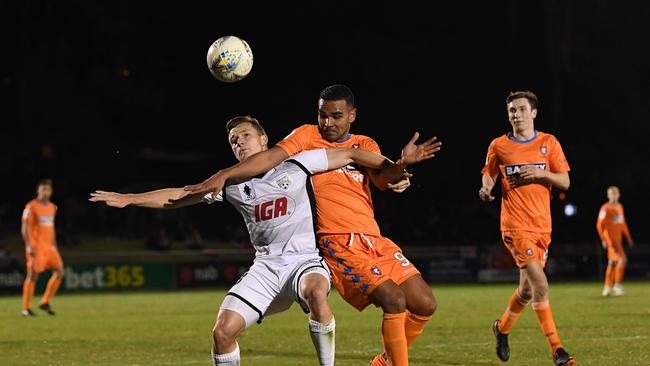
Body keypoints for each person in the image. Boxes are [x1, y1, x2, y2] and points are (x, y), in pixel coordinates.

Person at [90, 115, 439, 366]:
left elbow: (350, 154)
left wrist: (396, 166)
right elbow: (181, 195)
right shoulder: (232, 185)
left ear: (263, 140)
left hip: (306, 260)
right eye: (233, 141)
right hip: (266, 267)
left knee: (318, 291)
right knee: (222, 332)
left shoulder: (297, 165)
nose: (238, 143)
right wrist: (129, 198)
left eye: (244, 136)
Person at [185, 85, 442, 366]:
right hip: (337, 240)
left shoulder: (365, 144)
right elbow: (269, 158)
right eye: (322, 115)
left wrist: (401, 164)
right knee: (394, 300)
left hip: (372, 237)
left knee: (425, 303)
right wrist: (223, 175)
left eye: (336, 116)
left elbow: (383, 180)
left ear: (352, 115)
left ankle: (383, 363)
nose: (328, 123)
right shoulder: (307, 136)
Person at [479, 91, 575, 366]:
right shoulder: (499, 145)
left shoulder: (549, 143)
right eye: (512, 110)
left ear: (533, 113)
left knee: (526, 291)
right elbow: (489, 174)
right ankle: (558, 350)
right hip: (515, 226)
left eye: (521, 109)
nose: (516, 114)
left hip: (542, 227)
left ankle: (502, 328)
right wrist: (486, 190)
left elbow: (565, 181)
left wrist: (542, 173)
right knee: (541, 285)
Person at [21, 179, 64, 317]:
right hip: (36, 247)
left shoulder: (52, 207)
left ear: (51, 192)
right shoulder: (31, 206)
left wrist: (55, 246)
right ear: (38, 190)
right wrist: (28, 245)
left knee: (59, 272)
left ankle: (45, 301)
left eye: (48, 190)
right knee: (33, 275)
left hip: (49, 247)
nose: (46, 192)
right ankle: (26, 308)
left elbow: (51, 228)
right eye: (43, 189)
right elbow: (25, 228)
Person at [596, 186, 634, 296]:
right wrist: (603, 239)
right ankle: (617, 285)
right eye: (611, 193)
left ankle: (607, 287)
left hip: (618, 241)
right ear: (608, 195)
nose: (614, 195)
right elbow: (599, 225)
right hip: (610, 240)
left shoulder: (620, 207)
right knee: (622, 260)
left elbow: (623, 224)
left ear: (618, 195)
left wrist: (628, 238)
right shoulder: (605, 208)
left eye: (615, 193)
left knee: (612, 263)